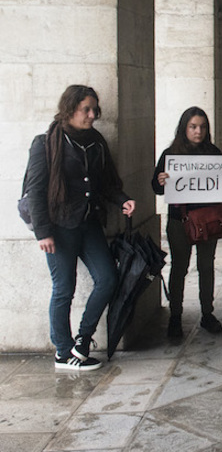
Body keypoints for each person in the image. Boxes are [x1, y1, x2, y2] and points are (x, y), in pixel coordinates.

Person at [25, 85, 136, 371]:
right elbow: (36, 191)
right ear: (69, 108)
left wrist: (122, 200)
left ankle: (82, 341)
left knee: (108, 278)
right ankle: (62, 353)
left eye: (94, 110)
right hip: (58, 227)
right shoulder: (45, 143)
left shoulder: (96, 141)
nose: (92, 115)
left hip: (88, 223)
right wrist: (43, 233)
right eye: (86, 109)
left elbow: (106, 183)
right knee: (64, 288)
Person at [152, 107, 222, 338]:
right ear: (184, 128)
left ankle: (207, 314)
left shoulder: (213, 152)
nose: (198, 131)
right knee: (179, 268)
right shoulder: (171, 154)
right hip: (180, 221)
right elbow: (156, 188)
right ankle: (175, 316)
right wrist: (162, 180)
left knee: (206, 267)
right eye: (193, 127)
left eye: (202, 127)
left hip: (208, 221)